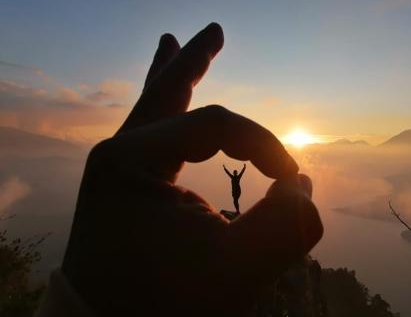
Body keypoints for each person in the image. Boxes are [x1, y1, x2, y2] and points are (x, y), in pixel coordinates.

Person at [36, 23, 323, 317]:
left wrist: (79, 303)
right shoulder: (235, 180)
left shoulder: (116, 205)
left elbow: (236, 175)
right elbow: (233, 175)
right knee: (236, 202)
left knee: (236, 201)